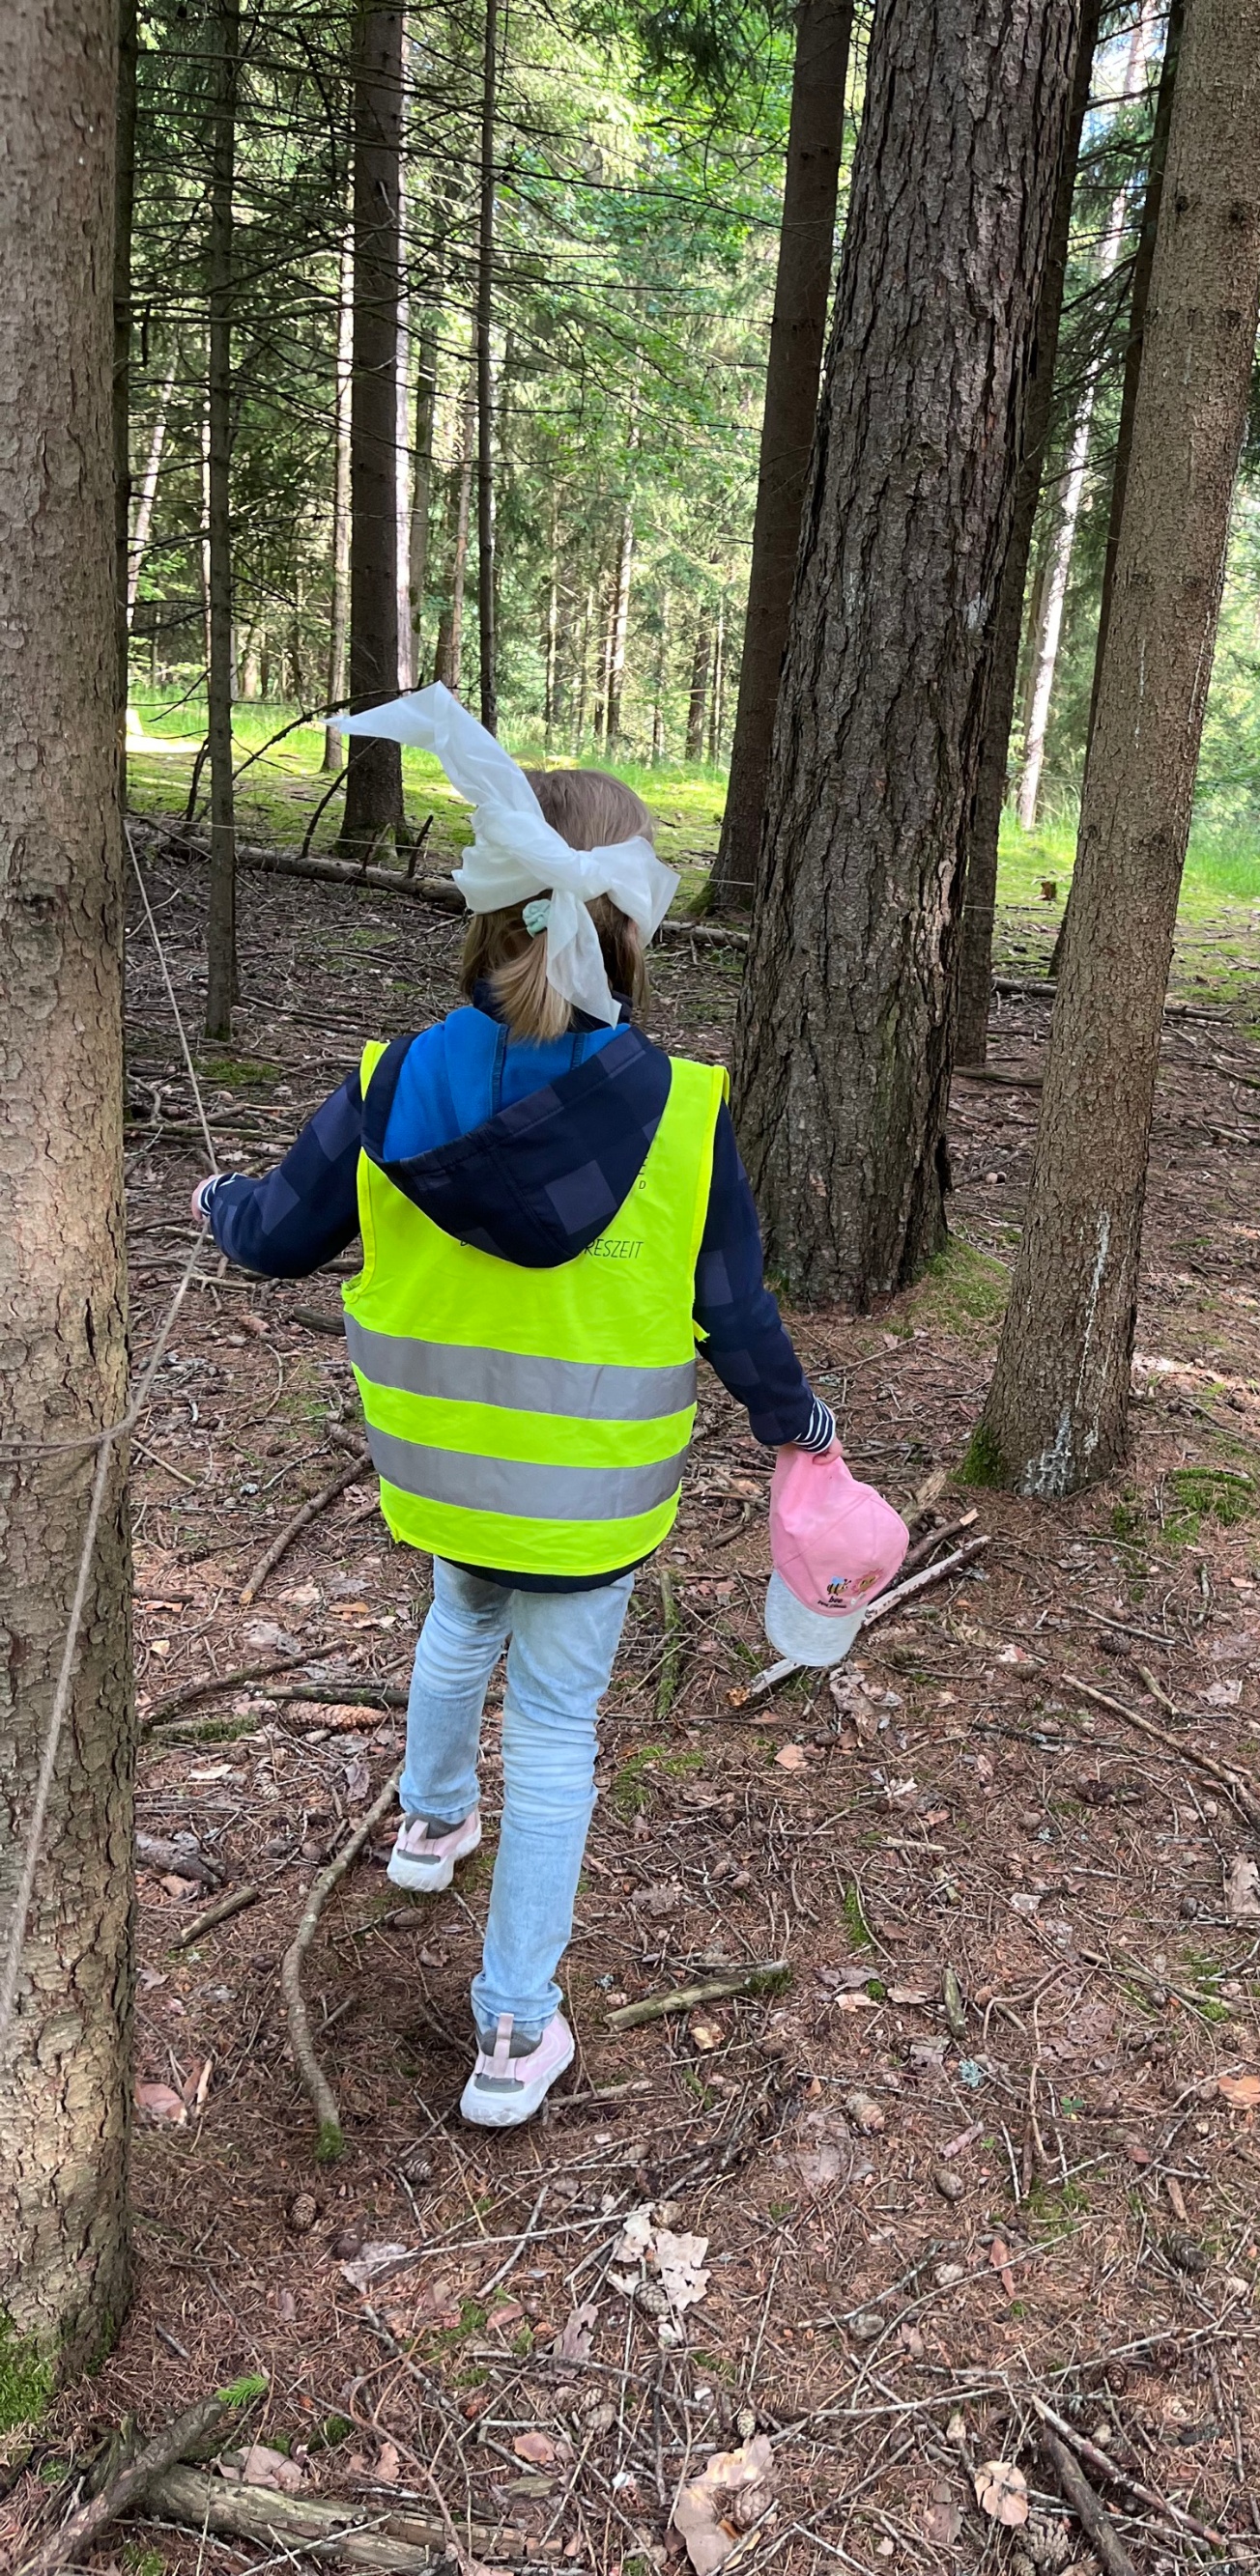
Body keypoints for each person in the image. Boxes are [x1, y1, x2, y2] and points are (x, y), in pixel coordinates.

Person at [190, 684, 850, 2129]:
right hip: (591, 1491)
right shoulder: (684, 1108)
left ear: (489, 902)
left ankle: (429, 1823)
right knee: (555, 1728)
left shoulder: (386, 1080)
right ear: (629, 921)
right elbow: (735, 1307)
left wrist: (211, 1202)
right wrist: (798, 1427)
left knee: (457, 1614)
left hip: (442, 1471)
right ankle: (512, 2031)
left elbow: (278, 1233)